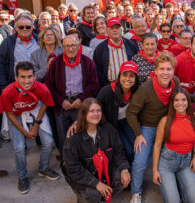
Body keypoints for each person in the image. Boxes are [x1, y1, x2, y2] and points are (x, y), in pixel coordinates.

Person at [126, 51, 180, 203]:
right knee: (140, 161)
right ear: (155, 71)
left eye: (168, 69)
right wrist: (138, 134)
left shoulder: (175, 82)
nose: (165, 73)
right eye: (161, 69)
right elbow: (131, 112)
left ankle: (173, 182)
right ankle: (136, 192)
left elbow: (181, 100)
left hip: (168, 124)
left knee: (173, 156)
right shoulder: (145, 89)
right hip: (148, 127)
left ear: (173, 71)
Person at [2, 61, 60, 194]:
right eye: (22, 77)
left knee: (49, 142)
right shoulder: (7, 92)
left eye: (29, 76)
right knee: (19, 148)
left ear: (35, 76)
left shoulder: (42, 88)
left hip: (35, 111)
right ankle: (22, 177)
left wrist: (35, 126)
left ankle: (43, 168)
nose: (27, 81)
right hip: (16, 116)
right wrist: (24, 132)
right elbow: (9, 114)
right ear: (16, 77)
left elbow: (45, 104)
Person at [63, 98, 131, 203]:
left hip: (103, 170)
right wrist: (96, 184)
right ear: (84, 113)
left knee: (123, 178)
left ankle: (104, 195)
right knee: (93, 194)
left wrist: (124, 169)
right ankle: (84, 197)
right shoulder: (73, 138)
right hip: (83, 176)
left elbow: (118, 151)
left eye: (98, 110)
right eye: (91, 111)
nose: (96, 114)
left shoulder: (108, 129)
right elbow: (73, 167)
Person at [45, 35, 100, 158]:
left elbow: (94, 84)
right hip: (62, 105)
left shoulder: (87, 62)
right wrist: (60, 101)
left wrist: (82, 99)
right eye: (67, 46)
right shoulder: (56, 63)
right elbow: (49, 86)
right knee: (63, 135)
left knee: (82, 133)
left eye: (73, 45)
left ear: (79, 46)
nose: (71, 49)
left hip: (80, 103)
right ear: (63, 47)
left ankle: (84, 159)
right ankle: (68, 161)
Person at [152, 88, 195, 203]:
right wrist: (155, 170)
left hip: (186, 162)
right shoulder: (165, 120)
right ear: (172, 103)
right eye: (176, 100)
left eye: (183, 99)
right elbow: (157, 145)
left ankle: (179, 182)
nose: (180, 103)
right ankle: (173, 184)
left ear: (188, 101)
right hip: (167, 163)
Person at [93, 17, 137, 87]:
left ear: (121, 29)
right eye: (112, 28)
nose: (115, 30)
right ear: (107, 30)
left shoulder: (130, 44)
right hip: (110, 85)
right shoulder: (100, 48)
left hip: (129, 84)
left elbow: (136, 63)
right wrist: (105, 85)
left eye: (117, 27)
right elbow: (97, 69)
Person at [0, 13, 39, 90]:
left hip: (38, 86)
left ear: (32, 28)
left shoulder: (40, 41)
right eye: (21, 27)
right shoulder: (8, 43)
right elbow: (1, 65)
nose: (25, 29)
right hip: (16, 87)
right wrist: (5, 87)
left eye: (28, 27)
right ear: (16, 28)